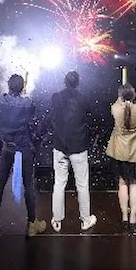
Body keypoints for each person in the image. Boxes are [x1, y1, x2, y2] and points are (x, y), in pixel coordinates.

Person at [0, 74, 47, 237]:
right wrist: (24, 91)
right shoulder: (27, 103)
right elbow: (31, 111)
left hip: (7, 147)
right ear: (22, 87)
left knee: (0, 184)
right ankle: (32, 224)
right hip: (23, 148)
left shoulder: (2, 101)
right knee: (28, 185)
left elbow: (9, 97)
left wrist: (18, 89)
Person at [50, 71, 97, 233]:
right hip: (78, 146)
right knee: (82, 184)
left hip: (60, 146)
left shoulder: (55, 97)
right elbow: (90, 118)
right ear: (78, 82)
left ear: (64, 82)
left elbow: (53, 119)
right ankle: (85, 220)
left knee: (59, 183)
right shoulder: (83, 98)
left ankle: (57, 220)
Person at [106, 83, 136, 234]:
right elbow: (132, 108)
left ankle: (124, 217)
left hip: (120, 152)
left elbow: (117, 105)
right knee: (134, 185)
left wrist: (120, 99)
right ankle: (133, 219)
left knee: (122, 184)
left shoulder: (115, 109)